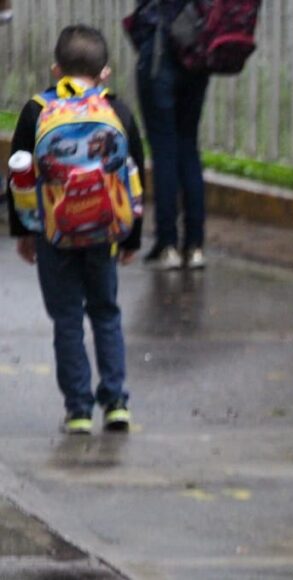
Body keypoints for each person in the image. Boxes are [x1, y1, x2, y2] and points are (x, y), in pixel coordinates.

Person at [5, 25, 144, 434]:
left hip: (54, 234)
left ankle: (79, 409)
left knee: (67, 318)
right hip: (105, 234)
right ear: (105, 72)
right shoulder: (117, 112)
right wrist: (131, 235)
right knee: (106, 313)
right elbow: (135, 176)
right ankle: (116, 401)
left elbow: (20, 178)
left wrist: (24, 232)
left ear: (56, 69)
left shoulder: (36, 111)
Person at [131, 0, 210, 270]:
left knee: (164, 149)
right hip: (196, 53)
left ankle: (167, 245)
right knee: (188, 145)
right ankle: (195, 246)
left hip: (160, 52)